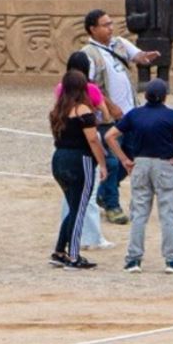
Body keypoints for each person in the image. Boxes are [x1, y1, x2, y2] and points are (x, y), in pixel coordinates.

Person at [104, 79, 173, 274]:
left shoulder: (135, 115)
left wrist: (124, 159)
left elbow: (110, 136)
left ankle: (133, 259)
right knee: (167, 213)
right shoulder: (172, 115)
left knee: (139, 213)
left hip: (140, 163)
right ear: (165, 96)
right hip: (165, 164)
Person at [82, 8, 158, 226]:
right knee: (113, 161)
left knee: (131, 157)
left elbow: (138, 56)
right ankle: (112, 204)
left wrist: (146, 57)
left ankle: (105, 194)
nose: (110, 28)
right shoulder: (88, 53)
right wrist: (110, 106)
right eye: (105, 25)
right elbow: (90, 86)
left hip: (131, 112)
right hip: (106, 117)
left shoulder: (119, 44)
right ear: (92, 29)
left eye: (110, 23)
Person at [47, 68, 110, 270]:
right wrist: (102, 163)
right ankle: (73, 255)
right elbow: (92, 139)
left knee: (74, 207)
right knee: (79, 208)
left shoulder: (58, 110)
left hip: (59, 159)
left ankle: (59, 250)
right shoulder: (83, 110)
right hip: (79, 160)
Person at [57, 48, 115, 255]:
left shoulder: (60, 92)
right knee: (85, 198)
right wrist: (103, 163)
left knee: (71, 199)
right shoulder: (89, 95)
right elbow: (104, 119)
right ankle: (86, 241)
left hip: (62, 149)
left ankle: (64, 242)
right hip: (83, 148)